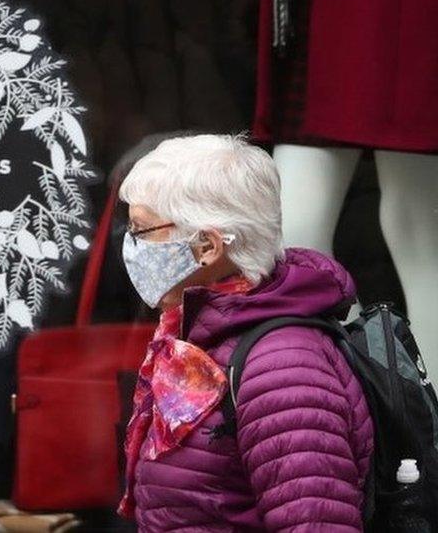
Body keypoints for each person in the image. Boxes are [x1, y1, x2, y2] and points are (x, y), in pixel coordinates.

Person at [117, 134, 374, 531]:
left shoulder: (284, 370)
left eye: (142, 230)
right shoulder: (201, 334)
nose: (131, 246)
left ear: (207, 246)